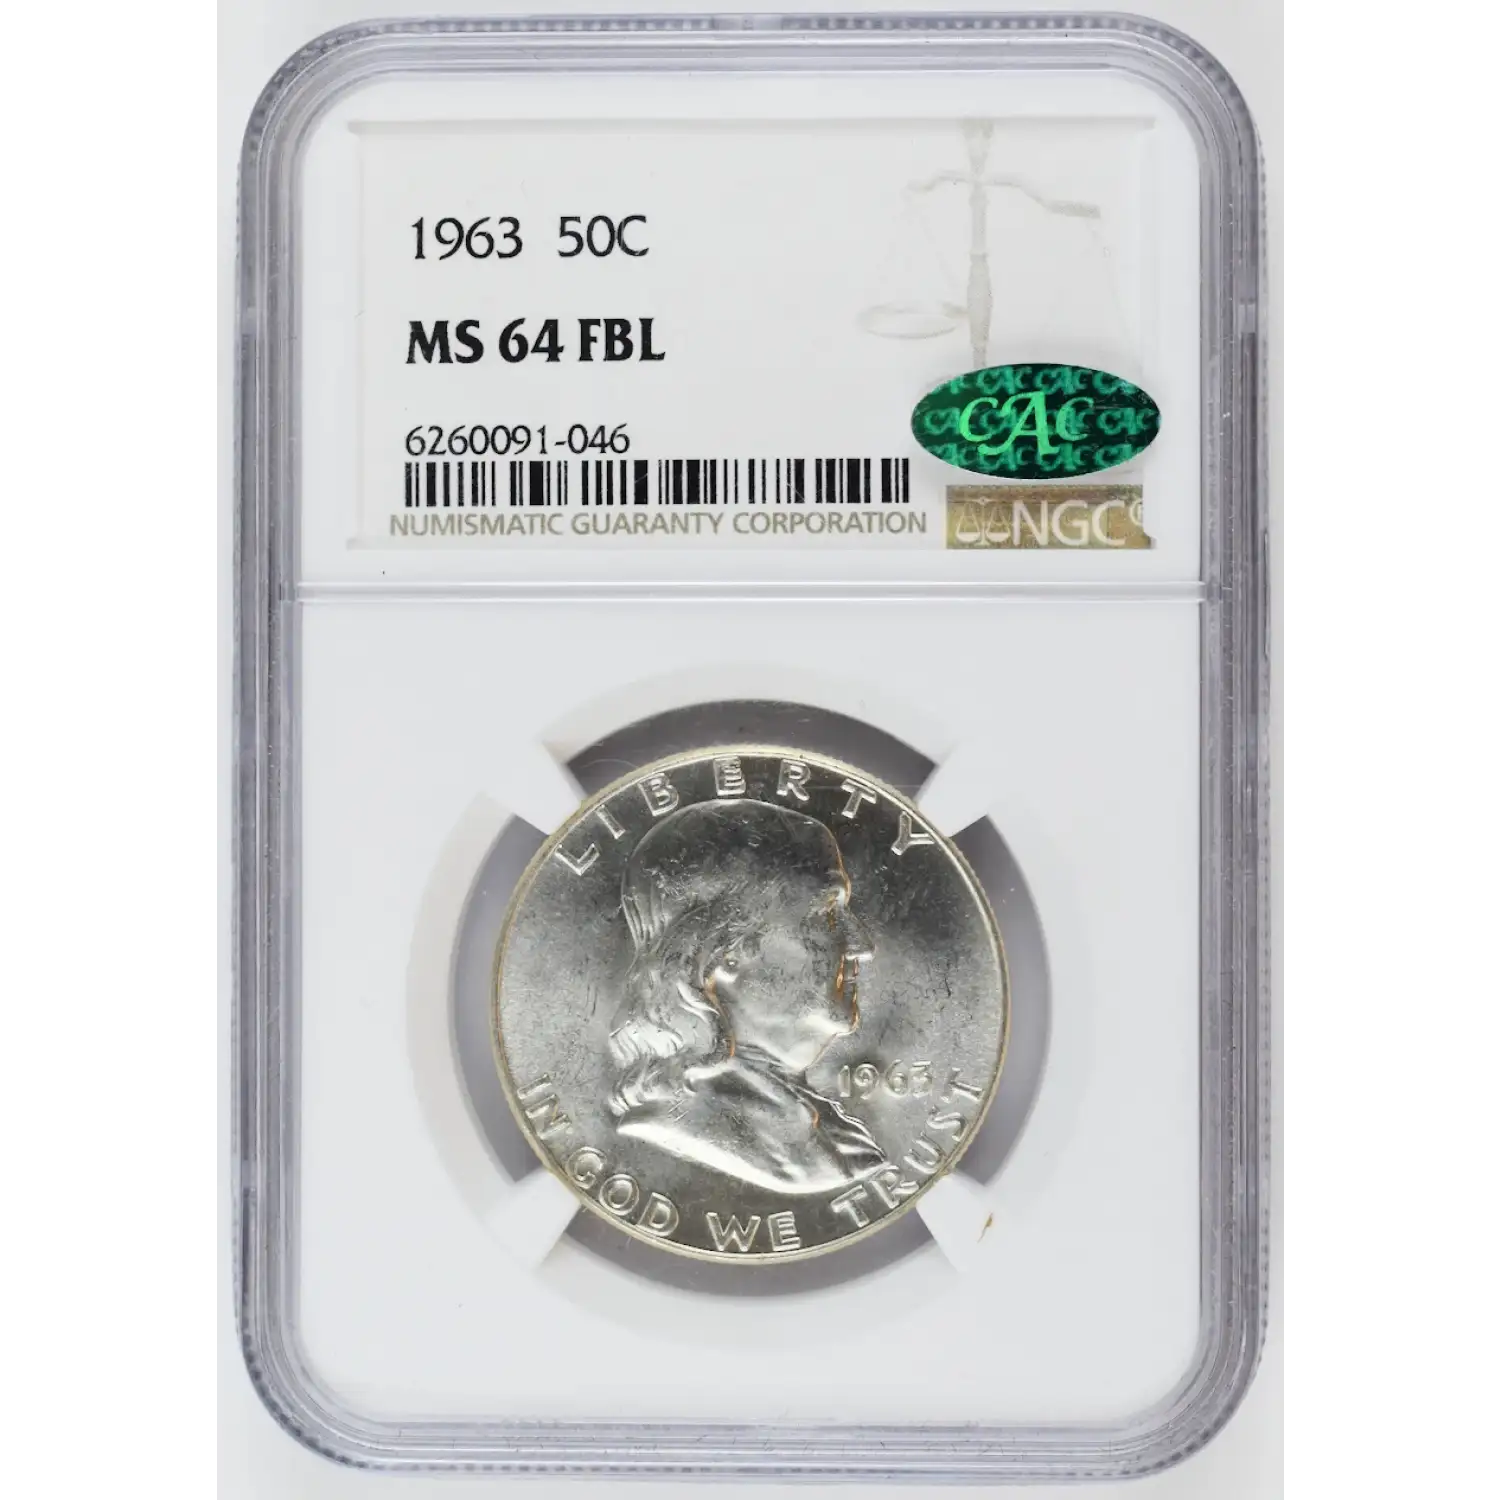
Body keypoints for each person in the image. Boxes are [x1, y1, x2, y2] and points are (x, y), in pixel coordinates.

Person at [607, 798, 886, 1193]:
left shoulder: (833, 1134)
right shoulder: (686, 1129)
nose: (862, 946)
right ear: (722, 953)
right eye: (828, 911)